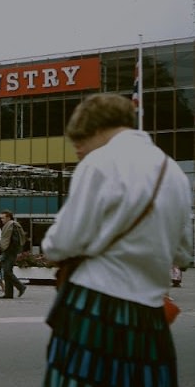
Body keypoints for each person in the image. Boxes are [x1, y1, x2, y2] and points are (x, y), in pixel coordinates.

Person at [41, 93, 192, 386]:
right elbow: (183, 253)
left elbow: (61, 243)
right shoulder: (174, 172)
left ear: (97, 128)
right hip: (150, 314)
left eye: (80, 142)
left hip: (94, 303)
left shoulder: (100, 162)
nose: (79, 151)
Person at [0, 209, 26, 299]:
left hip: (10, 252)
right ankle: (8, 294)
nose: (1, 220)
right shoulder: (7, 225)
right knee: (6, 272)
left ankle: (21, 287)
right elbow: (5, 240)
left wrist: (9, 251)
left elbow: (15, 241)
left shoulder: (13, 225)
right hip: (7, 251)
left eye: (3, 218)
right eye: (1, 218)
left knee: (7, 271)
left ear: (8, 217)